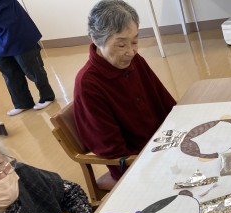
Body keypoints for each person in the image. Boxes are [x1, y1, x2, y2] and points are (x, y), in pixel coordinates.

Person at [73, 0, 176, 182]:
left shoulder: (136, 60)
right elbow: (113, 150)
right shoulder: (89, 83)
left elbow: (166, 103)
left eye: (135, 41)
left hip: (164, 144)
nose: (131, 51)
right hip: (136, 164)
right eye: (121, 45)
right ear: (96, 39)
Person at [0, 0, 56, 116]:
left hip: (11, 15)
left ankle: (47, 96)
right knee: (5, 64)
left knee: (28, 62)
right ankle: (22, 103)